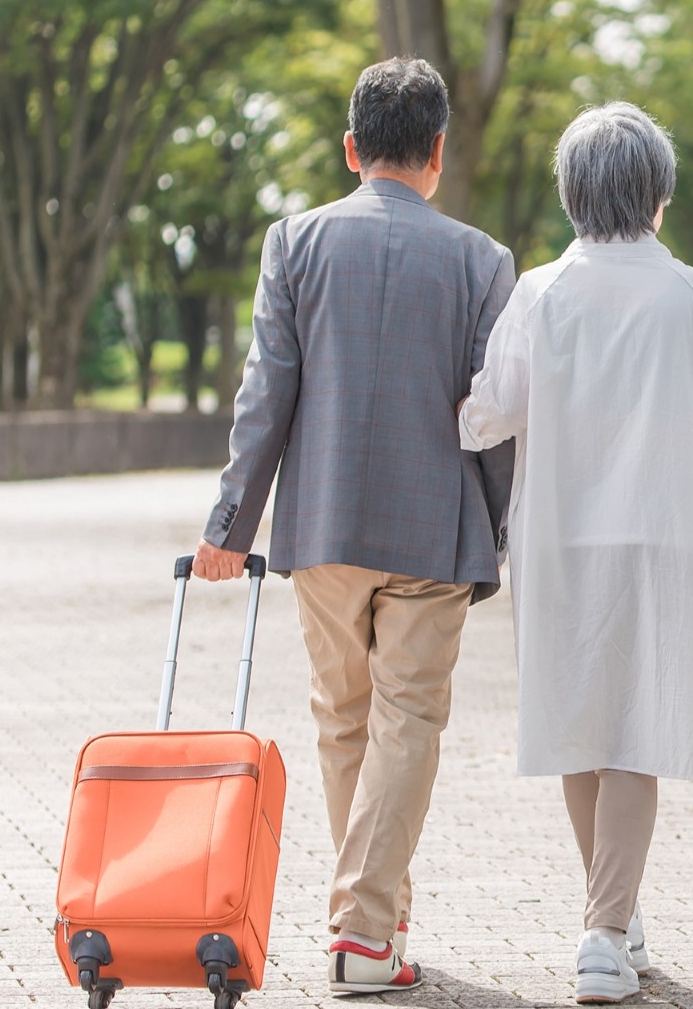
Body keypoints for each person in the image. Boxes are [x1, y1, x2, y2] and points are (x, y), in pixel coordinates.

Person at [192, 57, 517, 995]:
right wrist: (499, 529)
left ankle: (373, 919)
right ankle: (366, 932)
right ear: (438, 153)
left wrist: (229, 524)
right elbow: (489, 415)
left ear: (350, 149)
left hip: (324, 525)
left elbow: (267, 396)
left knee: (344, 720)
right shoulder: (481, 259)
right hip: (433, 530)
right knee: (407, 718)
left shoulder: (293, 242)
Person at [459, 102, 693, 1005]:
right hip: (669, 535)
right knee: (640, 725)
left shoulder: (540, 294)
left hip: (559, 535)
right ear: (659, 193)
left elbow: (486, 416)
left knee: (580, 721)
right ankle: (604, 929)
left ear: (571, 194)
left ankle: (611, 918)